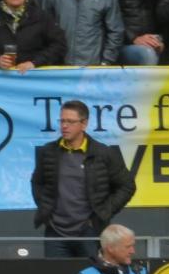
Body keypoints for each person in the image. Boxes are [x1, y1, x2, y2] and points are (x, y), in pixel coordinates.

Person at [31, 99, 135, 260]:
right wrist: (47, 212)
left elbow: (127, 186)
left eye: (70, 122)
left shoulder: (103, 153)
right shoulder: (48, 152)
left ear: (84, 124)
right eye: (62, 121)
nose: (64, 126)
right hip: (55, 232)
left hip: (90, 232)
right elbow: (37, 183)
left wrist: (103, 212)